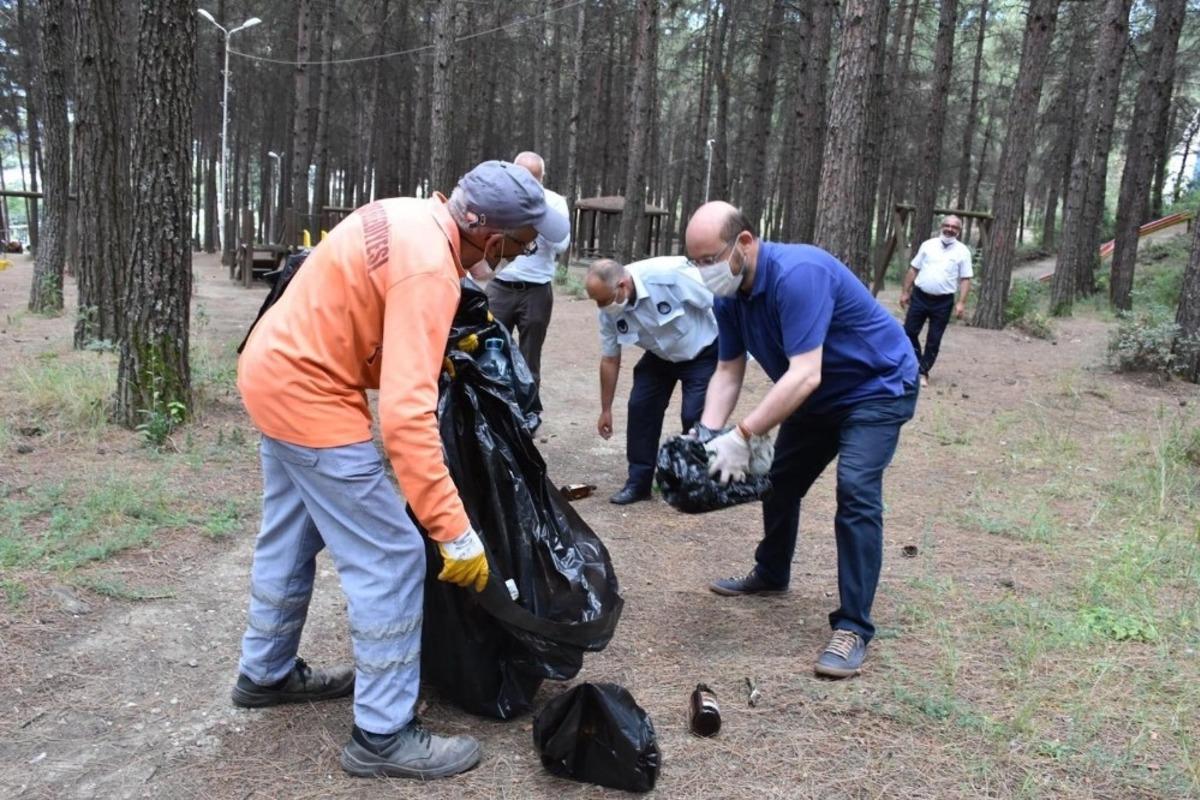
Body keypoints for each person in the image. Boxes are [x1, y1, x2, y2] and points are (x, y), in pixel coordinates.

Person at [234, 161, 569, 778]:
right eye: (521, 245)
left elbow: (360, 307)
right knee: (392, 556)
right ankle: (382, 735)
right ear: (493, 241)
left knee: (291, 533)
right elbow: (407, 422)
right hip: (311, 395)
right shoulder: (431, 272)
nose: (518, 256)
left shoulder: (409, 212)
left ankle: (265, 670)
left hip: (272, 370)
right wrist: (454, 532)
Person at [685, 201, 918, 679]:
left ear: (745, 243)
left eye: (710, 259)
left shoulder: (799, 274)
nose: (704, 271)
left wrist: (744, 433)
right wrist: (709, 433)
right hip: (817, 396)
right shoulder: (728, 296)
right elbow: (729, 370)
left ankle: (853, 625)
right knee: (778, 481)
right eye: (696, 262)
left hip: (876, 388)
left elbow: (804, 373)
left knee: (855, 490)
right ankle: (772, 572)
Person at [585, 256, 719, 505]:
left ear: (623, 285)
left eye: (603, 299)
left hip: (703, 351)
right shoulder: (608, 312)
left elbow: (717, 300)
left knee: (694, 415)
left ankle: (699, 480)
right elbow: (610, 359)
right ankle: (638, 482)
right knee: (641, 407)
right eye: (596, 301)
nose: (600, 307)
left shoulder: (668, 275)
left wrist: (734, 354)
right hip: (660, 356)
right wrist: (606, 409)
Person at [476, 151, 571, 393]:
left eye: (533, 178)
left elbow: (561, 245)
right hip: (501, 285)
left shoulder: (554, 202)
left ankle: (528, 412)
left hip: (537, 289)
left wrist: (537, 217)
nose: (527, 183)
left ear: (542, 179)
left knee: (530, 358)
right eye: (521, 176)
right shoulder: (498, 197)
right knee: (491, 350)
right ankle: (492, 408)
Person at [900, 214, 973, 387]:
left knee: (934, 338)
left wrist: (961, 302)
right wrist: (905, 291)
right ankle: (916, 364)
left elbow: (966, 279)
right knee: (909, 332)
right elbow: (913, 269)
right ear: (941, 226)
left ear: (959, 231)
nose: (949, 229)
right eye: (947, 225)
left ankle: (923, 372)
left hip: (943, 301)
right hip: (920, 296)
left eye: (954, 227)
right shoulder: (928, 245)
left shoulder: (963, 251)